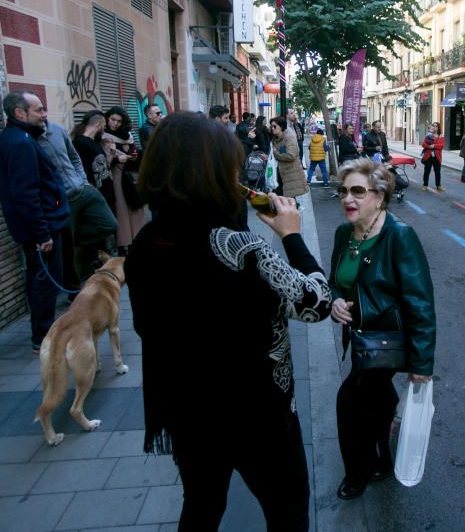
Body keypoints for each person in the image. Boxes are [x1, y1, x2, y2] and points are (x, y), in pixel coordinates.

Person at [125, 112, 332, 530]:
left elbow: (147, 326)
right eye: (232, 165)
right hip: (255, 414)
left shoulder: (146, 243)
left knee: (202, 504)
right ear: (213, 173)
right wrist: (291, 235)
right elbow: (317, 302)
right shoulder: (238, 246)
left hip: (188, 411)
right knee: (288, 508)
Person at [328, 159, 436, 500]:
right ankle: (384, 457)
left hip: (387, 341)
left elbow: (421, 303)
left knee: (348, 402)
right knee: (379, 398)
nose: (349, 198)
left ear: (380, 195)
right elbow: (335, 281)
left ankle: (356, 473)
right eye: (344, 191)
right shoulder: (344, 233)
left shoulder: (400, 236)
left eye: (358, 191)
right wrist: (334, 301)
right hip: (360, 339)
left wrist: (421, 365)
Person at [0, 91, 70, 352]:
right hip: (42, 230)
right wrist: (42, 233)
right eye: (39, 110)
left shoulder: (23, 138)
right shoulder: (20, 143)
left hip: (47, 223)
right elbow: (25, 194)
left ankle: (44, 333)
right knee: (44, 282)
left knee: (43, 281)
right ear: (20, 113)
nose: (44, 114)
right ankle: (44, 337)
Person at [39, 117, 117, 290]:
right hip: (60, 198)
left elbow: (74, 157)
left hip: (83, 189)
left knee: (109, 223)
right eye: (38, 110)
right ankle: (73, 288)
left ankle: (75, 240)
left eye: (44, 109)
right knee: (66, 245)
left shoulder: (57, 130)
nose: (43, 113)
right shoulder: (31, 139)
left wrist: (82, 180)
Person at [104, 106, 146, 256]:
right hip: (116, 177)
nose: (115, 123)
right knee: (121, 212)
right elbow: (101, 162)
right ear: (107, 119)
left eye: (118, 121)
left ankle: (137, 241)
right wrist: (116, 159)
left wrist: (133, 155)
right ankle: (123, 246)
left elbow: (135, 150)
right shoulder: (103, 136)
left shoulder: (128, 135)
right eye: (112, 119)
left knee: (135, 209)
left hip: (130, 176)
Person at [71, 111, 115, 214]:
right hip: (97, 200)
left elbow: (104, 167)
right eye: (104, 126)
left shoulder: (95, 143)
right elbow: (82, 173)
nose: (104, 130)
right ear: (99, 124)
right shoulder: (79, 143)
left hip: (107, 198)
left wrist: (111, 154)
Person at [271, 116, 309, 199]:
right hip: (281, 174)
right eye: (271, 126)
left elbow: (291, 155)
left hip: (290, 175)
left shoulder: (289, 137)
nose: (272, 128)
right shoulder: (276, 138)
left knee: (289, 200)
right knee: (282, 200)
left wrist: (275, 154)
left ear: (281, 127)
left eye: (274, 126)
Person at [421, 122, 445, 192]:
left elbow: (441, 146)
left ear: (438, 128)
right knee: (427, 171)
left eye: (436, 126)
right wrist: (429, 146)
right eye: (433, 126)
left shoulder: (441, 136)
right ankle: (425, 185)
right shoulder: (428, 135)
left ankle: (438, 185)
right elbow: (423, 144)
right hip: (428, 156)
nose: (435, 127)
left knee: (437, 171)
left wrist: (434, 146)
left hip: (437, 156)